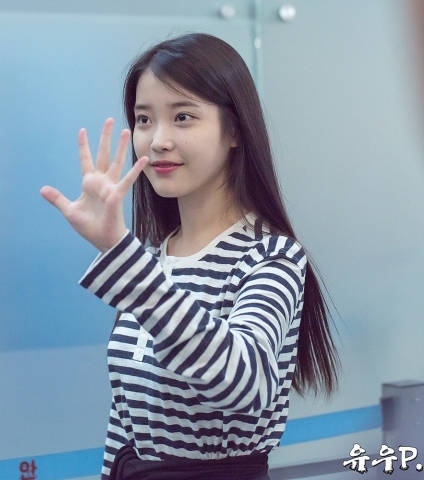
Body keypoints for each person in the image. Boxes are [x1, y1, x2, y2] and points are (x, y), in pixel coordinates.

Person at [40, 33, 339, 480]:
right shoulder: (153, 259)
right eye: (144, 119)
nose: (158, 140)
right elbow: (126, 429)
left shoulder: (270, 257)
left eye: (183, 117)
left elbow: (244, 383)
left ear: (234, 130)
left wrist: (124, 257)